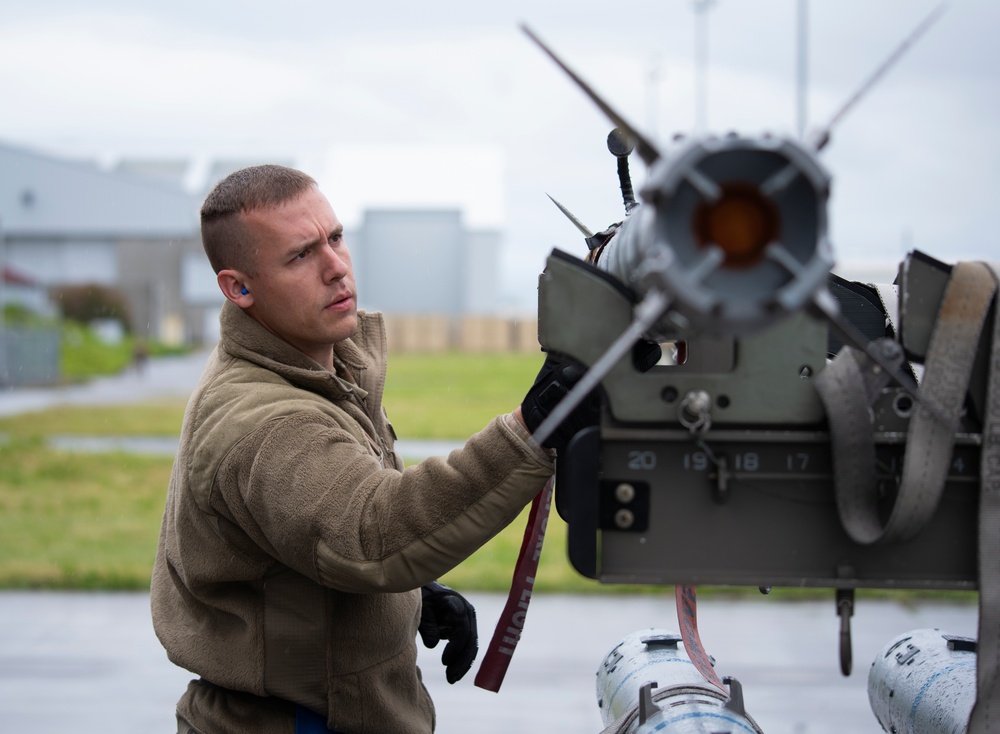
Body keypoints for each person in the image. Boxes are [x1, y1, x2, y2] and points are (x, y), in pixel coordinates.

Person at [150, 164, 596, 734]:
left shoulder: (313, 367)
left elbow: (310, 532)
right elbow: (372, 532)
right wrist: (531, 429)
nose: (336, 267)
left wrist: (407, 600)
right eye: (300, 255)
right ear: (239, 288)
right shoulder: (263, 420)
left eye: (335, 239)